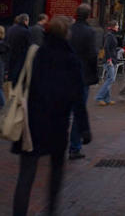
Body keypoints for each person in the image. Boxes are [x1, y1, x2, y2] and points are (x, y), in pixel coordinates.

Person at [12, 15, 91, 216]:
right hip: (57, 122)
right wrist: (83, 127)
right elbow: (78, 97)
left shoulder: (35, 54)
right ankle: (52, 210)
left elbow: (17, 80)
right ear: (66, 34)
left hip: (31, 120)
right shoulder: (71, 60)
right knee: (56, 171)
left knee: (26, 173)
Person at [68, 3, 97, 159]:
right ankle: (74, 147)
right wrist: (94, 75)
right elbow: (92, 55)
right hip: (82, 76)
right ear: (88, 15)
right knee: (79, 112)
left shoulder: (68, 30)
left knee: (63, 111)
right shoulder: (89, 32)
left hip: (65, 76)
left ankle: (57, 143)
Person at [95, 20, 120, 106]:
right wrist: (109, 59)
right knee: (111, 79)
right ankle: (99, 97)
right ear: (113, 26)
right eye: (117, 25)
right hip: (109, 61)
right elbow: (106, 47)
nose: (118, 27)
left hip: (111, 59)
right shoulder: (110, 35)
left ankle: (107, 99)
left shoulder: (111, 34)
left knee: (109, 78)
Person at [6, 14, 31, 86]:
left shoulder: (10, 29)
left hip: (9, 55)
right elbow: (28, 45)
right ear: (25, 21)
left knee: (10, 76)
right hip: (20, 57)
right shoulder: (26, 31)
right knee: (17, 77)